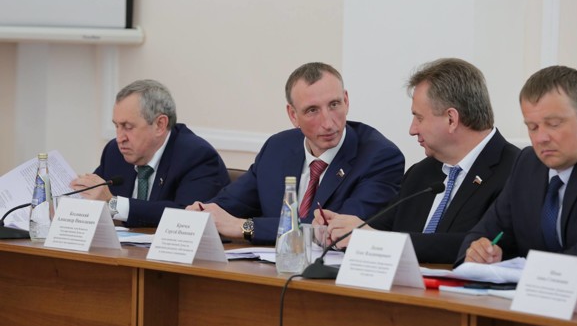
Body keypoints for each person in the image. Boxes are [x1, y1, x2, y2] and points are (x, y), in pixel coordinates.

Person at [316, 58, 519, 263]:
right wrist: (341, 228)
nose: (412, 130)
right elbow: (378, 230)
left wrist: (376, 238)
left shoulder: (516, 172)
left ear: (451, 119)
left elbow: (474, 245)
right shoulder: (420, 174)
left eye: (419, 118)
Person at [186, 62, 405, 244]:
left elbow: (333, 230)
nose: (328, 123)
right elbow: (228, 205)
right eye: (312, 110)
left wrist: (244, 227)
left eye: (334, 104)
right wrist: (203, 213)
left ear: (346, 101)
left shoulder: (379, 157)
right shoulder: (278, 148)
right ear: (293, 115)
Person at [459, 65, 577, 273]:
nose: (541, 138)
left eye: (553, 124)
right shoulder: (527, 163)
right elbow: (485, 232)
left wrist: (526, 274)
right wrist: (479, 252)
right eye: (532, 127)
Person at [70, 79, 230, 227]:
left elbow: (187, 215)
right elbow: (96, 198)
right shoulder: (115, 152)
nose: (119, 138)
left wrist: (113, 204)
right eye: (116, 126)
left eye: (128, 127)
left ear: (160, 125)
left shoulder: (196, 156)